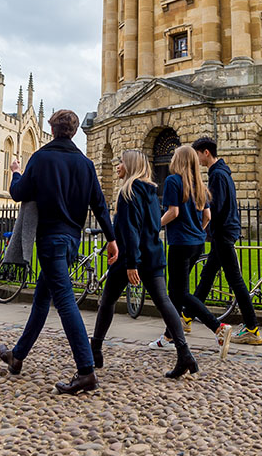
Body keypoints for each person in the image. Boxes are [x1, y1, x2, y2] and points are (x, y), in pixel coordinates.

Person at [0, 109, 117, 395]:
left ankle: (86, 371)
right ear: (74, 132)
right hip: (72, 241)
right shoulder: (86, 164)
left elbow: (18, 193)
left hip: (51, 239)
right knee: (42, 299)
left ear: (52, 128)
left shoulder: (41, 158)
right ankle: (17, 356)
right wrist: (112, 239)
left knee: (64, 303)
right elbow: (100, 205)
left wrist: (15, 173)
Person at [91, 150, 199, 378]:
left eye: (121, 162)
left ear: (129, 166)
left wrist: (132, 263)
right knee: (165, 303)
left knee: (107, 301)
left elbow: (131, 231)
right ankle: (184, 353)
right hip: (152, 256)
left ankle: (95, 349)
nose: (118, 166)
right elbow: (152, 227)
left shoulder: (128, 193)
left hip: (130, 258)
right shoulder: (151, 191)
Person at [149, 144, 233, 358]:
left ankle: (217, 327)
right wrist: (198, 231)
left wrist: (155, 226)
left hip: (180, 243)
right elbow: (208, 217)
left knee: (178, 293)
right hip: (197, 243)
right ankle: (169, 336)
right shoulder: (200, 185)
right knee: (178, 291)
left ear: (178, 160)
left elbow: (173, 212)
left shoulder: (172, 181)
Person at [191, 137, 262, 346]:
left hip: (222, 233)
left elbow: (217, 207)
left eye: (197, 154)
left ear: (205, 153)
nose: (196, 159)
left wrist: (204, 221)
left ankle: (252, 328)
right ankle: (187, 317)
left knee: (236, 282)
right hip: (222, 233)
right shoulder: (220, 173)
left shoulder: (218, 175)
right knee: (207, 275)